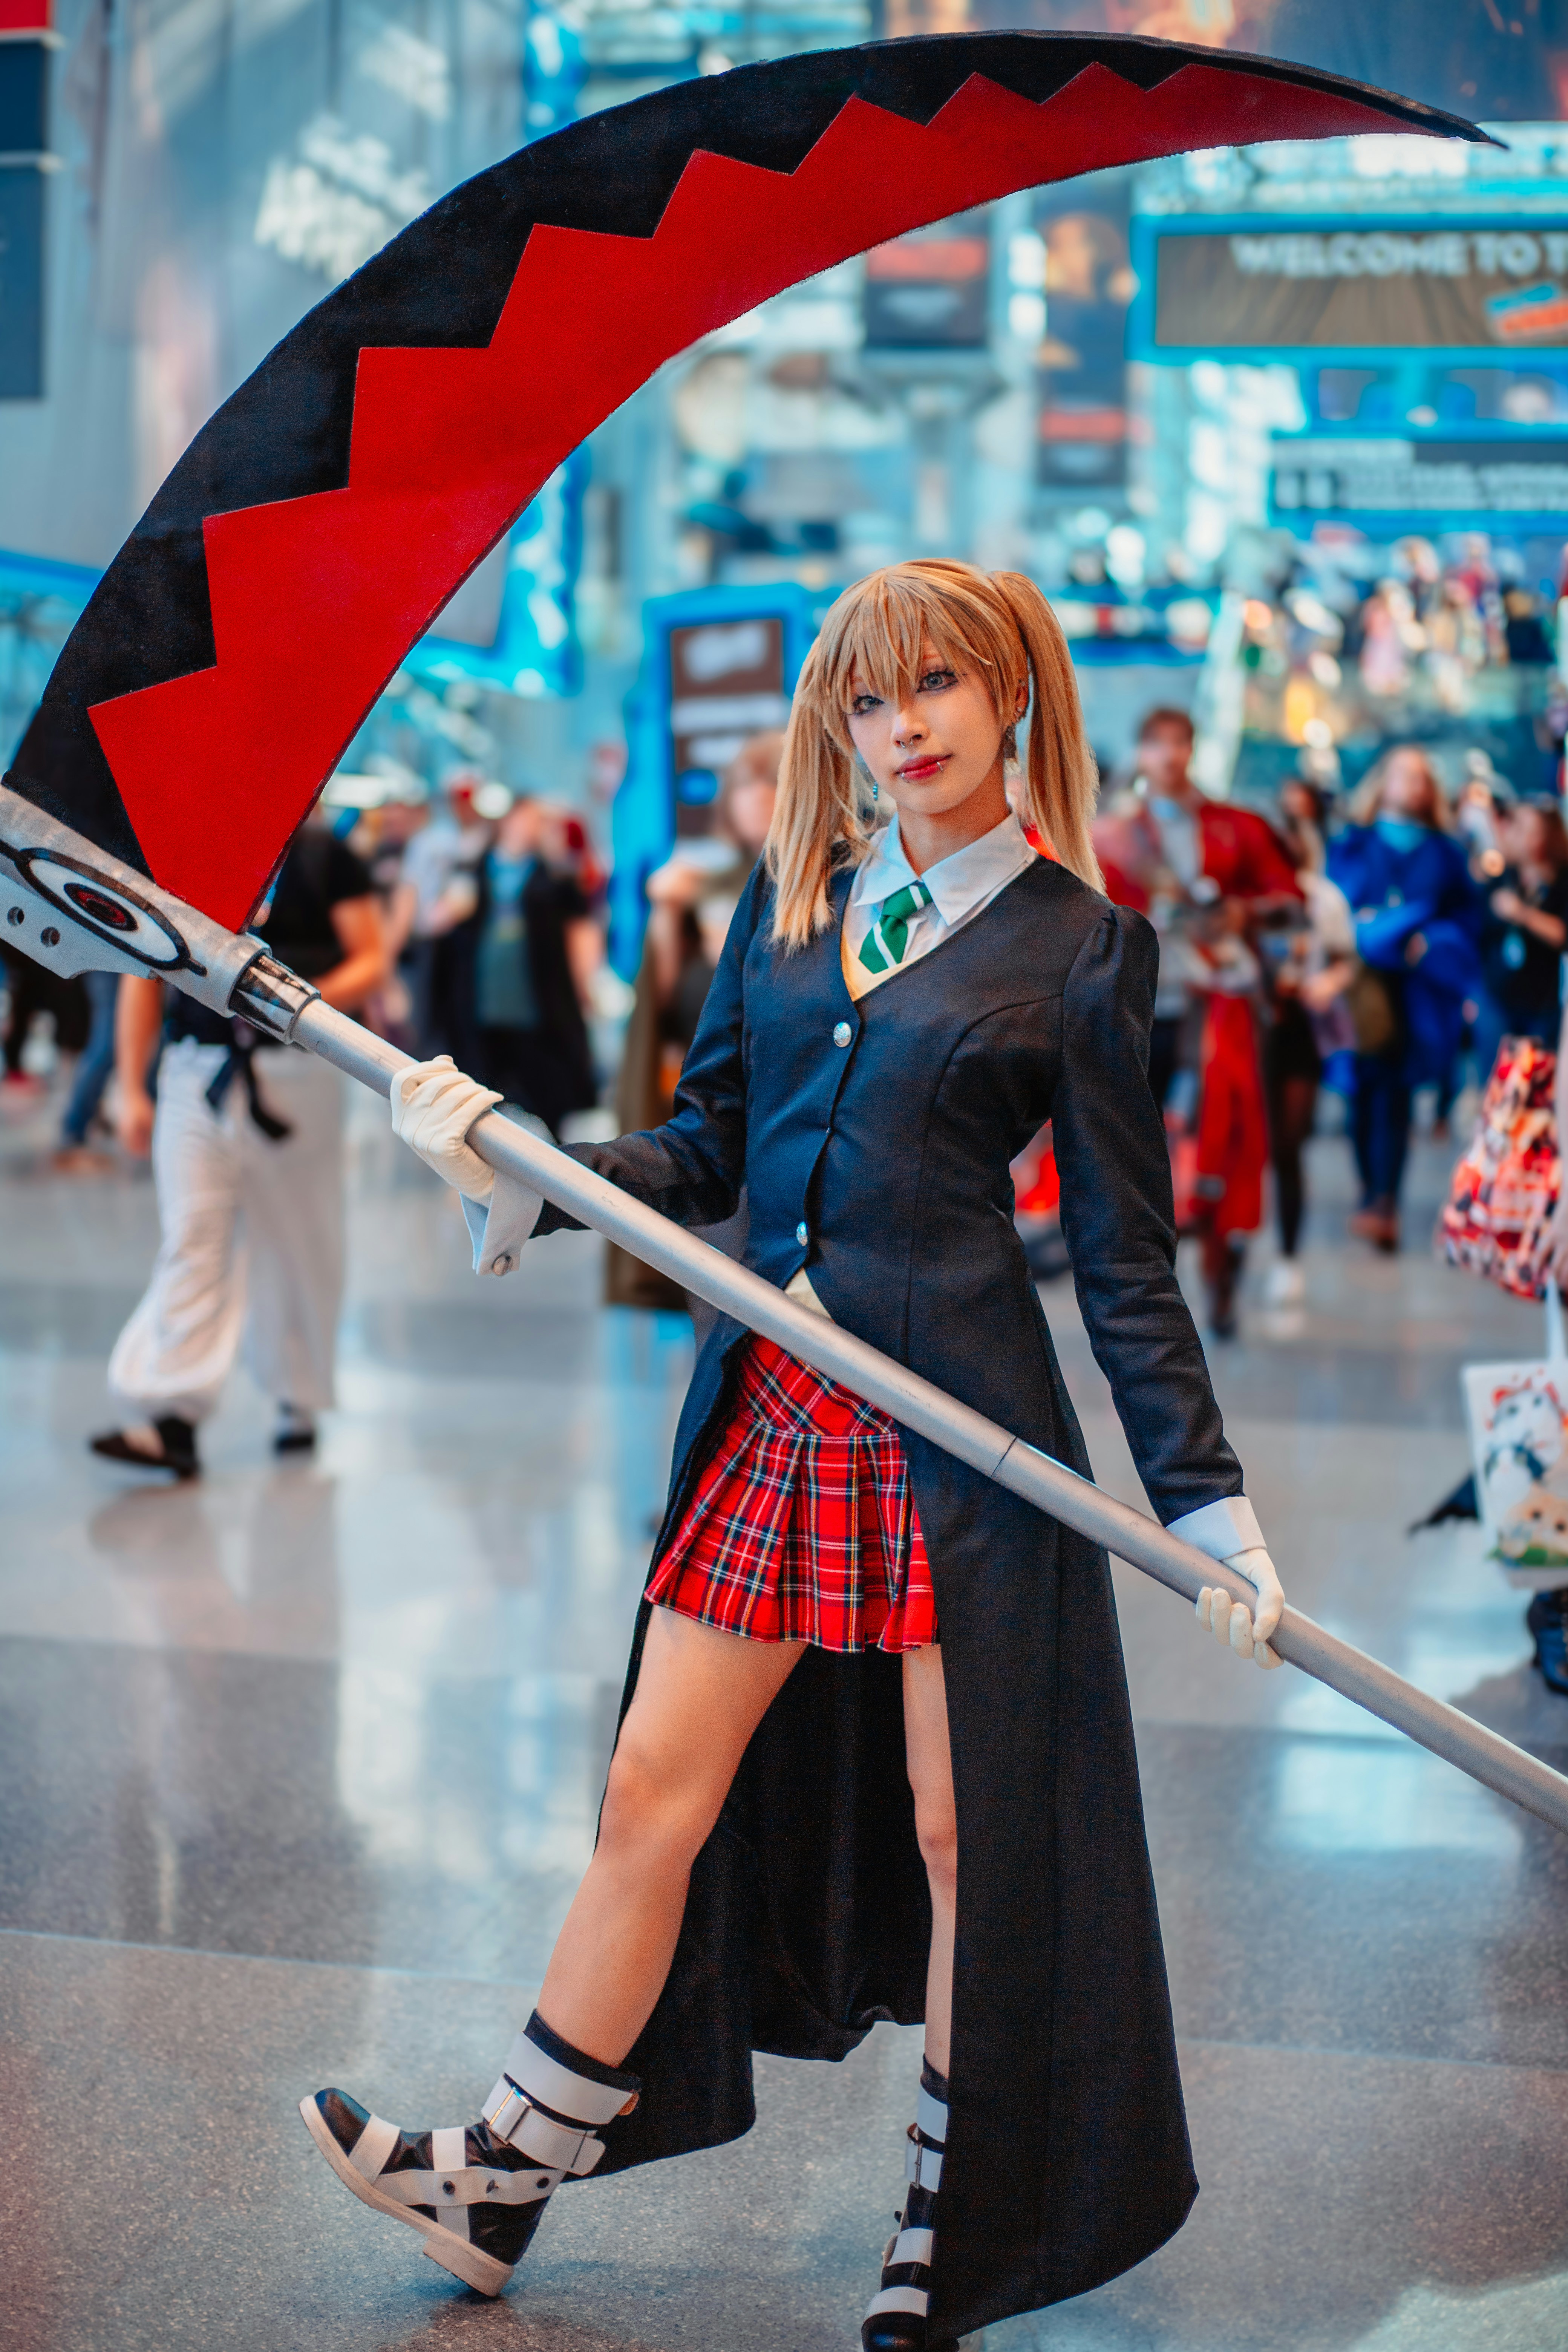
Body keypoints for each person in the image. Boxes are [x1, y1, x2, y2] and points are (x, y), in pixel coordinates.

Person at [300, 561, 1285, 2346]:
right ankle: (500, 2174)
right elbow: (703, 1147)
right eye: (867, 699)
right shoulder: (793, 896)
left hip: (964, 1443)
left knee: (964, 1831)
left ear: (1009, 695)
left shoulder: (1079, 946)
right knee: (648, 1793)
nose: (901, 728)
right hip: (776, 1408)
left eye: (935, 687)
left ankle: (947, 2225)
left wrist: (1210, 1509)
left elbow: (1125, 1264)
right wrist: (516, 1157)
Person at [87, 817, 388, 1478]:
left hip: (298, 1072)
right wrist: (131, 1088)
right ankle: (170, 1417)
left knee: (299, 1240)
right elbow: (144, 969)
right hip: (196, 1070)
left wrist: (288, 1012)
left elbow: (371, 959)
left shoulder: (325, 856)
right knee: (192, 1235)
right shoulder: (186, 849)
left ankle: (297, 1399)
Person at [1094, 706, 1300, 1335]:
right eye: (1157, 743)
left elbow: (1290, 899)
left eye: (1179, 742)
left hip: (1217, 1009)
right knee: (1134, 1154)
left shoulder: (1235, 826)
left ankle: (1220, 1282)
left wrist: (1242, 912)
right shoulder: (1113, 834)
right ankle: (1147, 1291)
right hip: (1135, 1010)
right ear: (1142, 752)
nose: (1169, 755)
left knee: (1224, 1143)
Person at [1327, 746, 1482, 1254]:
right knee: (1361, 1090)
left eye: (1420, 777)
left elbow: (1469, 917)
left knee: (1395, 1094)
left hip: (1416, 988)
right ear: (1383, 783)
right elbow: (1333, 905)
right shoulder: (1354, 842)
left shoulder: (1446, 852)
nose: (1412, 786)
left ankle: (1384, 1200)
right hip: (1360, 983)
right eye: (1403, 776)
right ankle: (1369, 1189)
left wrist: (1431, 938)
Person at [452, 793, 601, 1139]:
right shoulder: (476, 868)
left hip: (539, 1000)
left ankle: (552, 1160)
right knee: (486, 1090)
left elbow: (581, 930)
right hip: (485, 999)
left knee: (546, 1093)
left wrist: (585, 985)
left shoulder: (554, 874)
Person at [1259, 778, 1356, 1304]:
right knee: (1247, 1144)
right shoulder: (1250, 899)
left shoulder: (1324, 898)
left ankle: (1288, 1255)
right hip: (1252, 1026)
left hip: (1302, 1029)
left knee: (1289, 1147)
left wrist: (1327, 984)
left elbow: (1345, 960)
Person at [1473, 794, 1568, 1083]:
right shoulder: (1504, 877)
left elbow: (1562, 935)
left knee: (1536, 1084)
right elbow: (1480, 937)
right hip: (1498, 997)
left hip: (1544, 1003)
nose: (1516, 835)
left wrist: (1522, 914)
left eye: (1528, 829)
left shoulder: (1561, 882)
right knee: (1495, 1083)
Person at [52, 969, 121, 1174]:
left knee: (108, 1037)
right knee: (108, 1041)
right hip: (114, 957)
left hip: (114, 958)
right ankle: (73, 1134)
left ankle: (75, 1131)